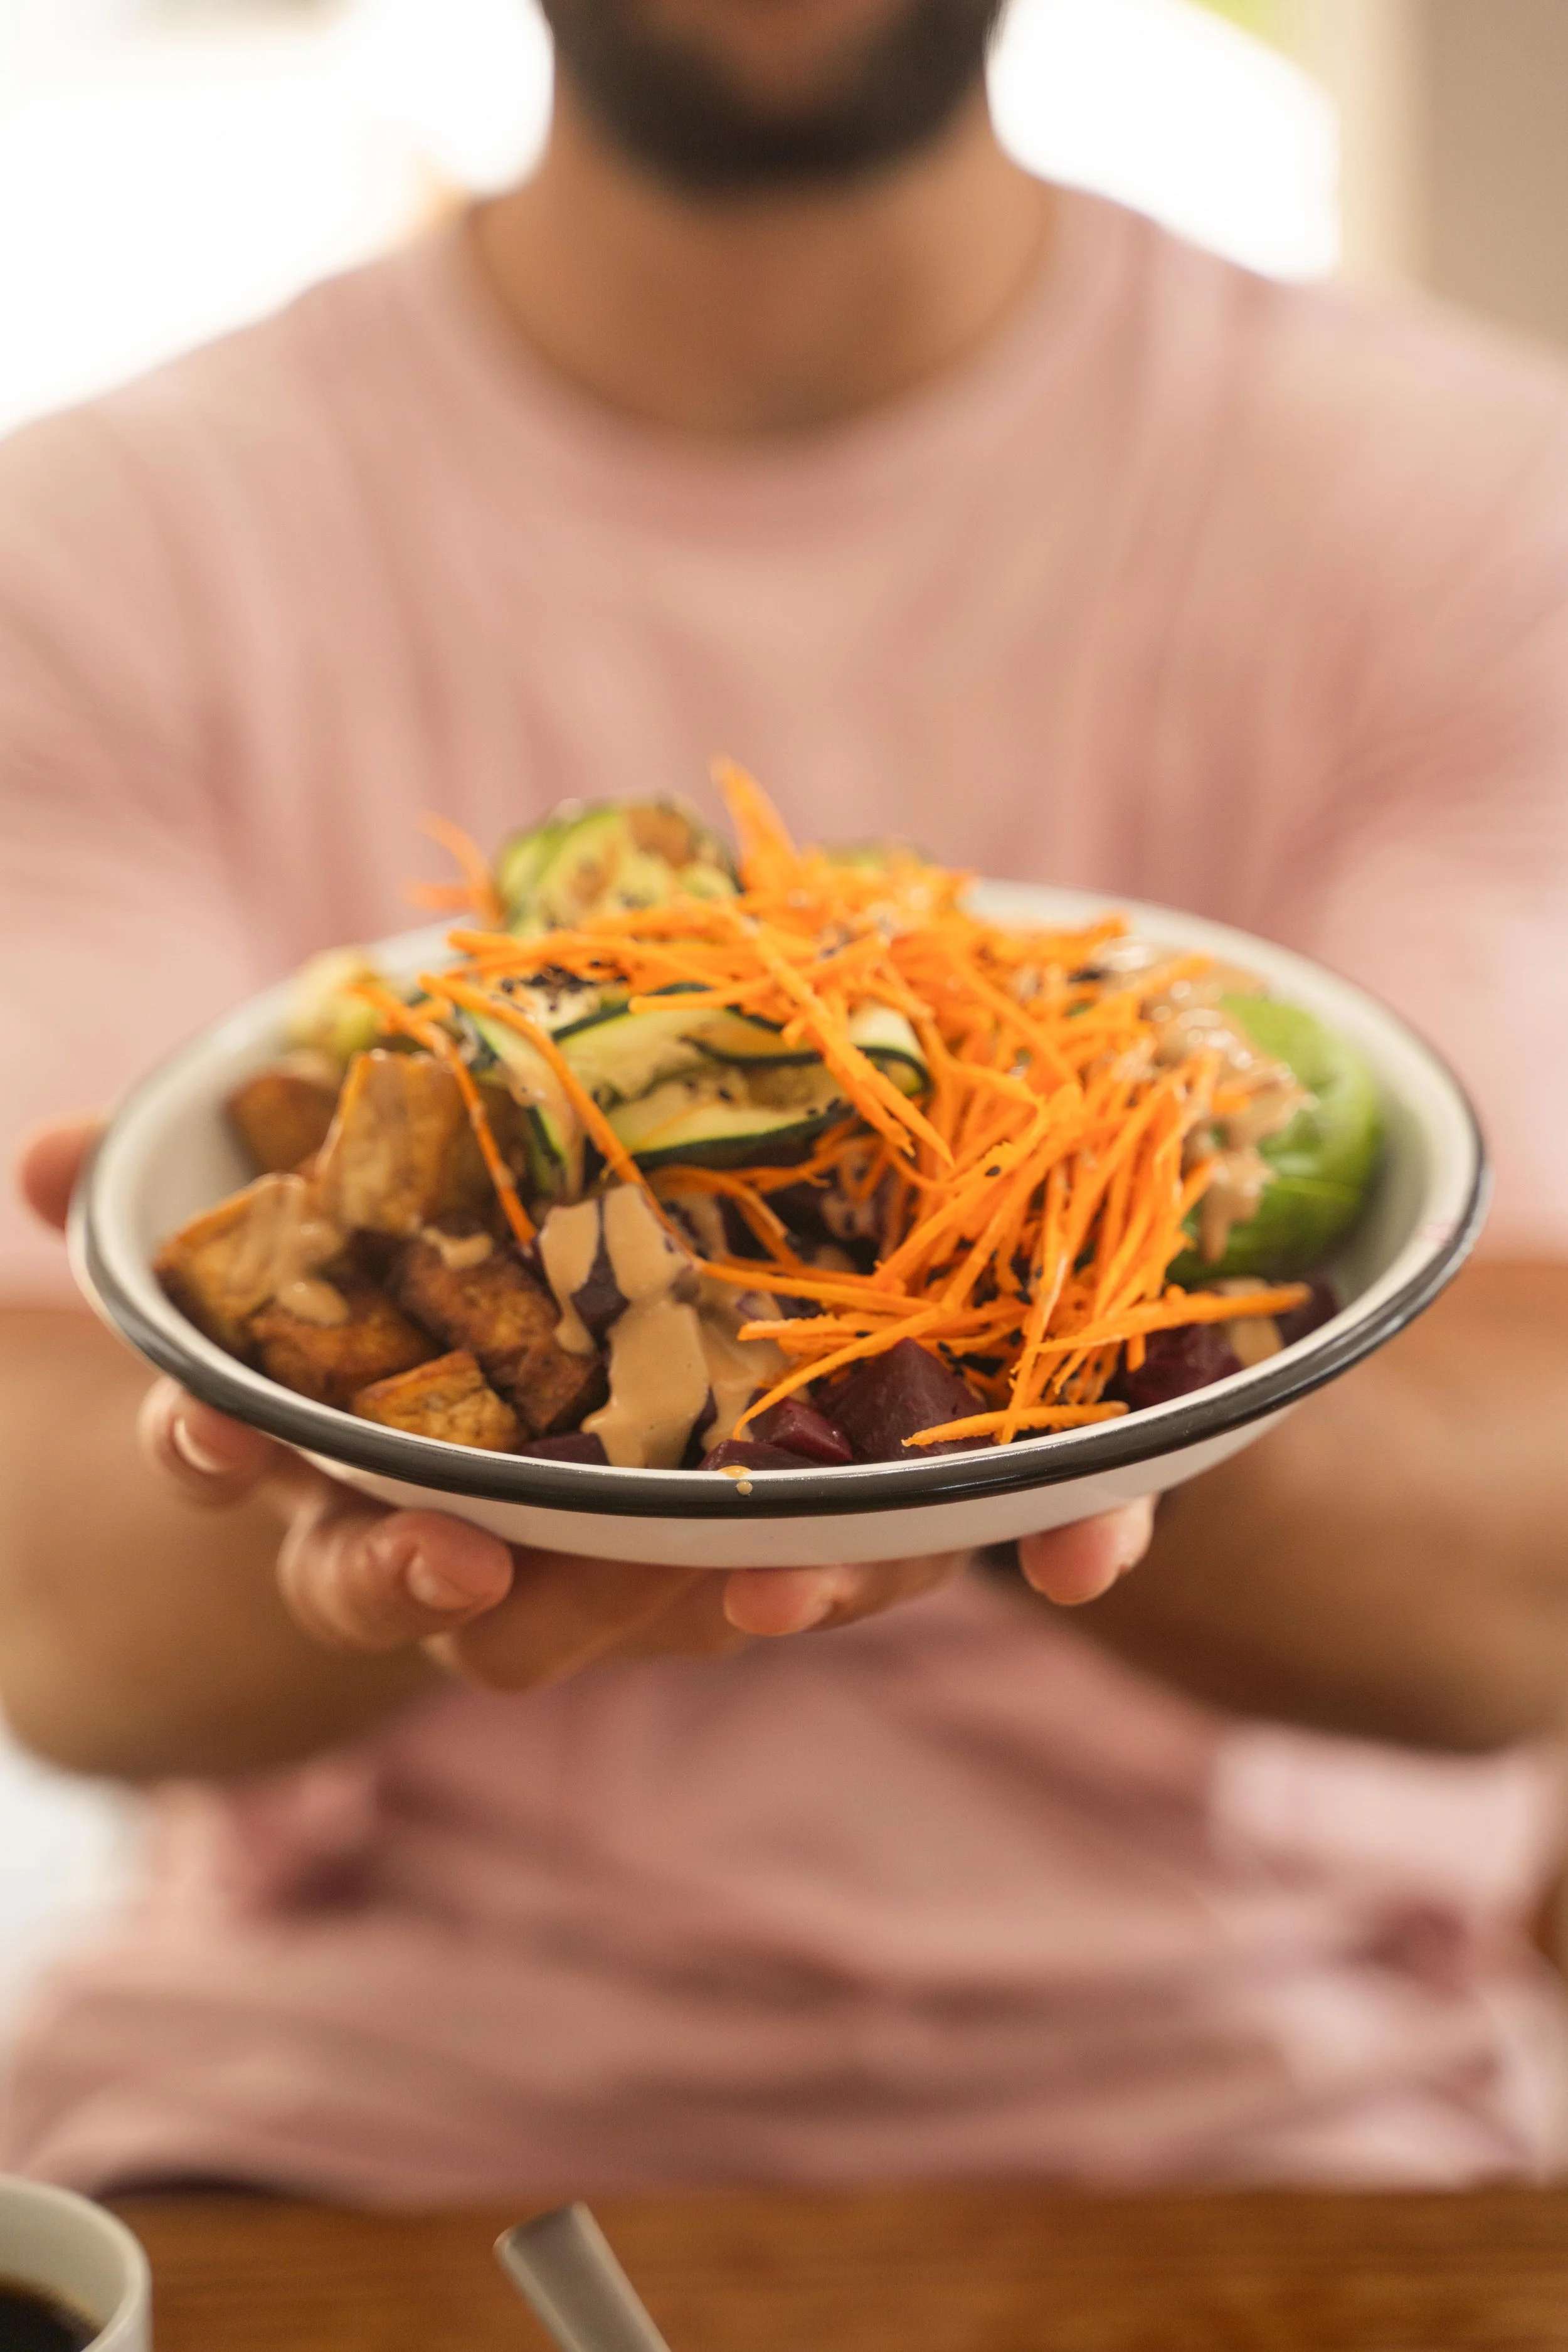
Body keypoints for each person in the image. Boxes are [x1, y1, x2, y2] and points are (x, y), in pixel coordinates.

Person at [3, 0, 1568, 2201]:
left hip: (1262, 2090)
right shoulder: (98, 541)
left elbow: (1523, 1588)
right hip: (329, 2097)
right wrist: (393, 1482)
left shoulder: (1480, 503)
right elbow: (54, 1619)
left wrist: (1025, 1422)